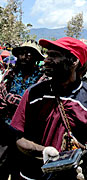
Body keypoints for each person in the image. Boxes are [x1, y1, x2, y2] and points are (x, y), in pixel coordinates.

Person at [10, 37, 87, 179]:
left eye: (54, 55)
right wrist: (43, 151)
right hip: (31, 175)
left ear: (74, 61)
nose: (46, 60)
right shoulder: (33, 93)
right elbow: (18, 138)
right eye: (48, 54)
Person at [0, 39, 45, 179]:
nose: (25, 56)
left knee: (18, 169)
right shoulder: (10, 75)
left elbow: (31, 103)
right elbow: (1, 95)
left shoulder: (41, 79)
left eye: (30, 54)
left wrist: (11, 100)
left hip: (26, 132)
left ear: (37, 58)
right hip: (4, 128)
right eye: (22, 53)